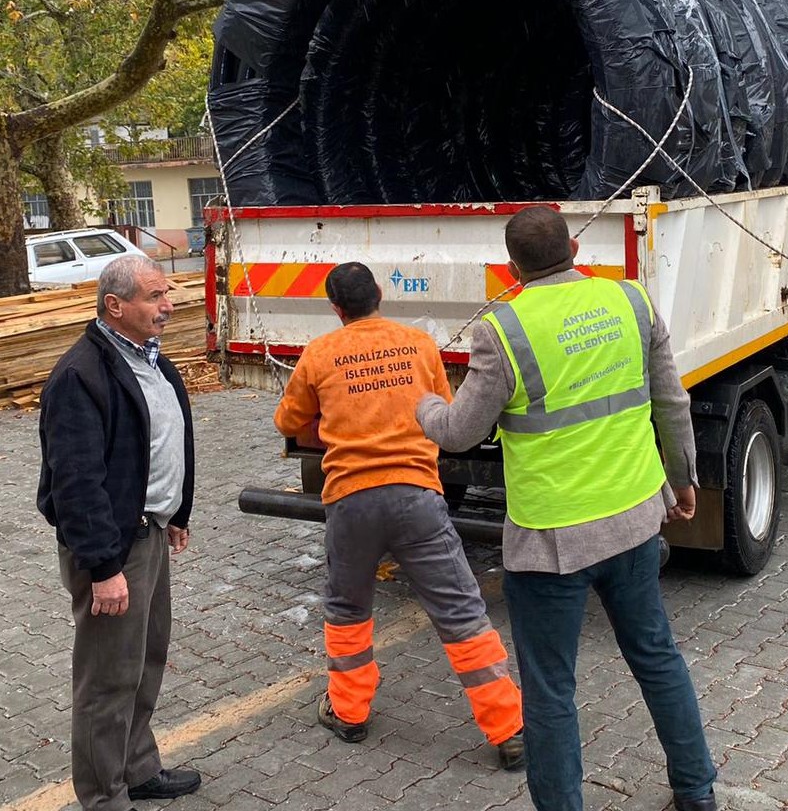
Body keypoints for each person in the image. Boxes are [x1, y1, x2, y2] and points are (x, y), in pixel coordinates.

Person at [417, 206, 719, 811]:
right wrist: (683, 481)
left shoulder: (503, 330)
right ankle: (696, 790)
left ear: (511, 268)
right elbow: (671, 402)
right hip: (634, 521)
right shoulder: (631, 303)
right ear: (576, 249)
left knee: (551, 688)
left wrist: (422, 405)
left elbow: (457, 433)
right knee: (657, 657)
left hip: (550, 543)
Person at [273, 262, 525, 769]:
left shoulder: (320, 353)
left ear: (336, 308)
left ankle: (348, 713)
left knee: (347, 610)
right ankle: (508, 729)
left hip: (351, 500)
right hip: (417, 498)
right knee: (460, 612)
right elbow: (443, 408)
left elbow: (288, 420)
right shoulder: (419, 344)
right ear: (379, 296)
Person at [37, 255, 201, 811]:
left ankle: (137, 768)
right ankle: (104, 796)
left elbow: (165, 439)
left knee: (147, 659)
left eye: (167, 294)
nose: (168, 305)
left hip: (149, 532)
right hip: (112, 548)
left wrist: (177, 512)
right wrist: (104, 569)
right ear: (116, 305)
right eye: (155, 296)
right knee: (107, 680)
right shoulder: (80, 375)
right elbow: (75, 484)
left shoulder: (153, 361)